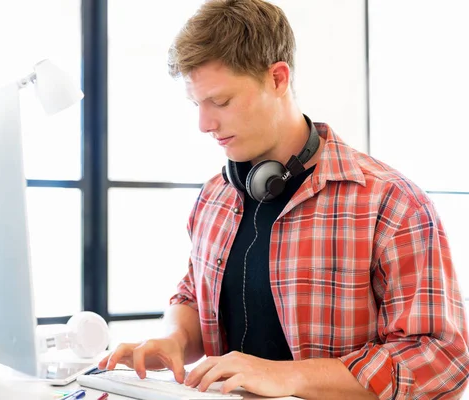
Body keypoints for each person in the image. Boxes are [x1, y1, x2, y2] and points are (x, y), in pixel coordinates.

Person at [99, 1, 469, 399]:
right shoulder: (214, 197)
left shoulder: (392, 202)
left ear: (277, 78)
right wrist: (174, 338)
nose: (204, 125)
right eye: (197, 104)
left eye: (220, 102)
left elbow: (440, 358)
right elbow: (192, 295)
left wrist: (288, 376)